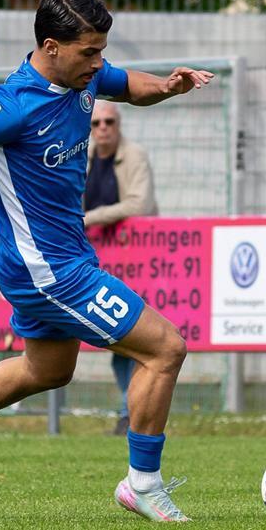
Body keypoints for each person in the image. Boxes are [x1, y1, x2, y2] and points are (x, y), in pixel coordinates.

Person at [0, 0, 213, 522]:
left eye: (102, 50)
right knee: (165, 348)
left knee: (48, 370)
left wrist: (170, 87)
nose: (99, 62)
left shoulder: (85, 74)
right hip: (47, 269)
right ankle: (142, 484)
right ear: (51, 46)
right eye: (90, 52)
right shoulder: (10, 105)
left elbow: (132, 87)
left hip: (53, 260)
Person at [83, 100, 159, 436]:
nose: (102, 129)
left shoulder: (135, 155)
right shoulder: (79, 157)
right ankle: (130, 412)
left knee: (137, 342)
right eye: (96, 123)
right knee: (117, 345)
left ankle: (132, 415)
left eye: (109, 122)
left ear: (118, 124)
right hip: (92, 263)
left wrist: (89, 219)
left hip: (137, 263)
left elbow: (139, 204)